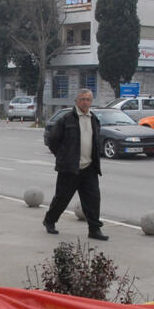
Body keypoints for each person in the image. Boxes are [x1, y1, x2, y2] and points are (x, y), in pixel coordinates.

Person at [42, 88, 108, 240]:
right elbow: (53, 140)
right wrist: (63, 156)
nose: (85, 102)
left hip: (89, 168)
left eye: (88, 99)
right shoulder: (66, 119)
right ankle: (49, 220)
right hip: (69, 168)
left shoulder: (94, 119)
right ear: (76, 101)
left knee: (93, 199)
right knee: (62, 198)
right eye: (82, 99)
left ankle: (94, 230)